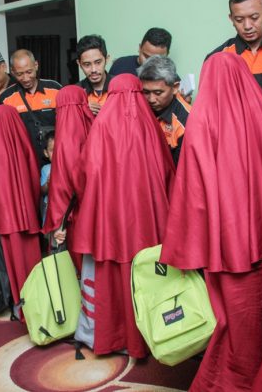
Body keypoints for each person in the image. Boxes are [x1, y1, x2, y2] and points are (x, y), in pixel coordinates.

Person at [160, 52, 262, 392]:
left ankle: (235, 382)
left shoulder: (204, 123)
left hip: (229, 248)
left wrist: (188, 245)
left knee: (234, 325)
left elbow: (193, 191)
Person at [71, 73, 175, 357]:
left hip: (110, 219)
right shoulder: (151, 127)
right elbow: (168, 172)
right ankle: (149, 338)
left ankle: (113, 337)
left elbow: (83, 174)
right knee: (148, 274)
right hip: (146, 220)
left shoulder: (101, 125)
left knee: (110, 276)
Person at [0, 105, 42, 314]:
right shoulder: (23, 141)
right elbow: (34, 175)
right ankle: (39, 299)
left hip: (5, 220)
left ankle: (18, 302)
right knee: (31, 258)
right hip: (27, 214)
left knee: (13, 262)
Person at [42, 85, 94, 272]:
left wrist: (58, 223)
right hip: (97, 211)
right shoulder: (97, 129)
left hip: (74, 217)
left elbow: (62, 185)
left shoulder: (63, 141)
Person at [0, 49, 62, 163]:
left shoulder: (55, 89)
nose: (26, 78)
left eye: (29, 72)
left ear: (36, 65)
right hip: (24, 160)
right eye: (19, 74)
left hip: (54, 158)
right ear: (12, 72)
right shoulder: (6, 98)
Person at [138, 55, 191, 165]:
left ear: (175, 88)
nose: (151, 99)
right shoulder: (137, 107)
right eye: (146, 92)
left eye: (158, 93)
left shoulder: (187, 121)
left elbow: (181, 170)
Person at [75, 35, 113, 116]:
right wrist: (82, 110)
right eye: (87, 64)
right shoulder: (76, 93)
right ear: (79, 64)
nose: (93, 70)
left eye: (98, 62)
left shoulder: (120, 88)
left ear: (107, 59)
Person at [40, 131, 54, 225]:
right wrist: (48, 183)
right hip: (49, 206)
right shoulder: (46, 169)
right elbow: (42, 191)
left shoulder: (68, 168)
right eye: (52, 150)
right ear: (46, 153)